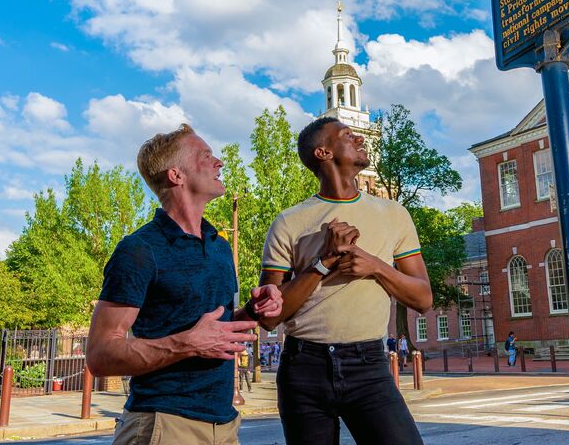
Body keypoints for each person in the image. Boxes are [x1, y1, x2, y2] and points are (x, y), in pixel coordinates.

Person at [86, 124, 284, 445]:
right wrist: (188, 344)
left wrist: (253, 311)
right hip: (163, 425)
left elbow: (215, 331)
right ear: (177, 175)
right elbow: (99, 355)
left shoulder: (218, 246)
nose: (219, 162)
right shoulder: (139, 250)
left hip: (225, 425)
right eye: (206, 155)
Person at [258, 118, 432, 445]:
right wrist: (322, 264)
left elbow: (423, 298)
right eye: (348, 135)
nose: (360, 139)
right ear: (323, 152)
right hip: (303, 368)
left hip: (369, 367)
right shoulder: (289, 222)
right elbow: (269, 317)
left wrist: (376, 266)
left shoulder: (393, 214)